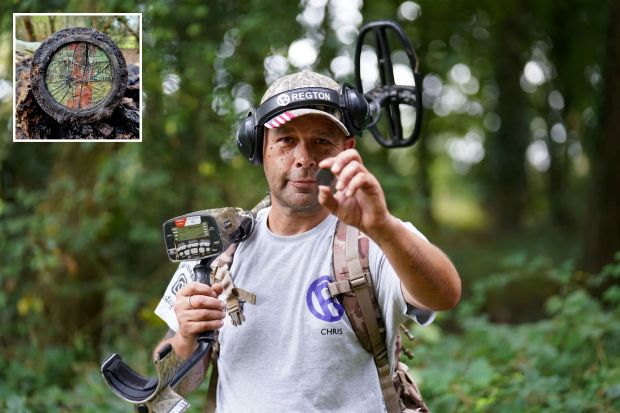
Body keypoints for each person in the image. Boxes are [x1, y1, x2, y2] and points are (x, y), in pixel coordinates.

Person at [154, 70, 461, 412]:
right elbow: (170, 386)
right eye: (286, 140)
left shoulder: (378, 237)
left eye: (322, 141)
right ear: (260, 149)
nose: (304, 158)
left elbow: (445, 294)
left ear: (346, 150)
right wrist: (184, 338)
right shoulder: (217, 248)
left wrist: (383, 226)